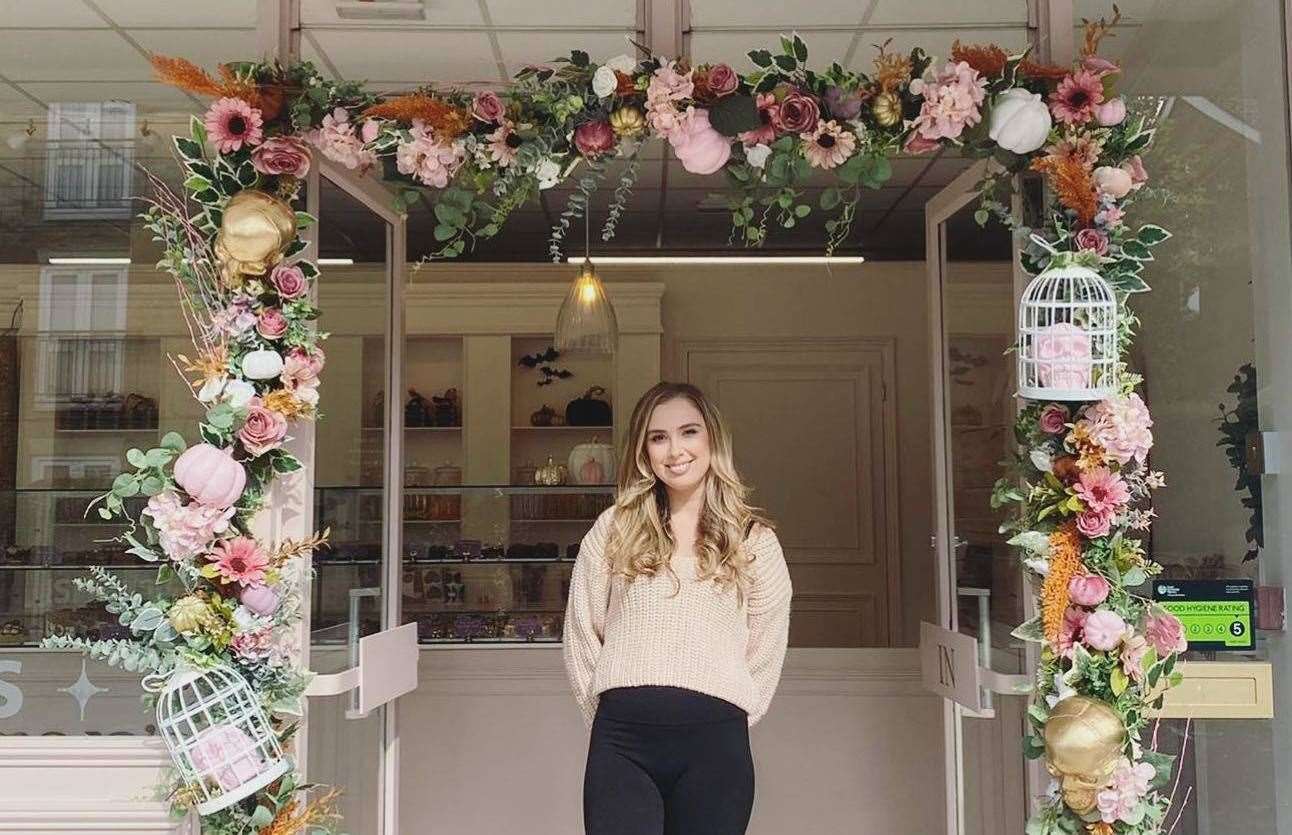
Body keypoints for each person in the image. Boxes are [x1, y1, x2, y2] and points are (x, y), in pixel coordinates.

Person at [562, 381, 793, 835]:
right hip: (622, 742)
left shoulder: (754, 541)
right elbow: (581, 632)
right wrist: (606, 712)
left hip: (716, 746)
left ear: (712, 440)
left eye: (689, 432)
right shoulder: (614, 529)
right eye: (658, 437)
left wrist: (732, 715)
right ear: (644, 451)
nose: (675, 450)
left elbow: (767, 645)